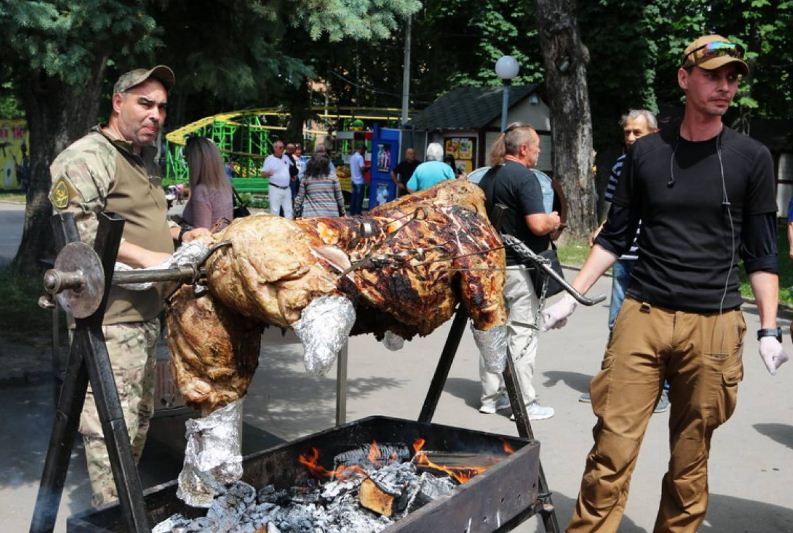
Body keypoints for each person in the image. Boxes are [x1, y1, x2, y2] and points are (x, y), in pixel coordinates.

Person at [542, 35, 789, 532]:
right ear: (684, 78)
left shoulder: (752, 157)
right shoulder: (647, 153)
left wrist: (768, 328)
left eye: (732, 77)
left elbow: (762, 252)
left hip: (715, 324)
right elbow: (615, 236)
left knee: (690, 461)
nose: (725, 86)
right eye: (713, 75)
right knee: (611, 449)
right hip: (643, 315)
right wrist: (572, 294)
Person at [48, 65, 204, 507]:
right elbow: (79, 232)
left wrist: (179, 235)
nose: (156, 115)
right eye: (145, 103)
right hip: (110, 323)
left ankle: (122, 509)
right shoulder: (85, 157)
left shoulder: (141, 158)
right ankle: (110, 516)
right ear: (118, 103)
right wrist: (152, 259)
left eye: (161, 108)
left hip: (146, 315)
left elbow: (142, 220)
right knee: (109, 430)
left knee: (137, 420)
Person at [579, 109, 669, 412]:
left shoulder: (668, 163)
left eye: (637, 132)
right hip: (623, 255)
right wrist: (602, 228)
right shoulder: (620, 164)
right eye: (627, 132)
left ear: (654, 134)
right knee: (617, 321)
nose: (630, 137)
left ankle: (661, 389)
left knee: (656, 323)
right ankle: (611, 383)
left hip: (654, 257)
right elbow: (616, 207)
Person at [476, 123, 562, 420]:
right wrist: (553, 220)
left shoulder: (488, 176)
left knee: (493, 331)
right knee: (522, 332)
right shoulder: (525, 178)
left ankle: (491, 398)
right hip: (520, 269)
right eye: (537, 147)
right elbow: (537, 224)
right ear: (524, 149)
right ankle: (523, 402)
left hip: (492, 267)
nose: (539, 152)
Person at [181, 137, 233, 230]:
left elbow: (201, 233)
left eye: (187, 158)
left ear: (194, 162)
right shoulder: (224, 185)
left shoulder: (201, 191)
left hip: (210, 239)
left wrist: (179, 227)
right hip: (224, 237)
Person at [294, 152, 346, 218]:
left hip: (310, 216)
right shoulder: (333, 177)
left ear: (311, 163)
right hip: (331, 216)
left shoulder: (306, 178)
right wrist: (343, 212)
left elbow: (299, 199)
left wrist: (296, 213)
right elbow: (339, 198)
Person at [261, 139, 293, 219]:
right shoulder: (269, 159)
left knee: (289, 210)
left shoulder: (286, 157)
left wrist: (292, 175)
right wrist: (268, 174)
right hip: (275, 188)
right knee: (275, 211)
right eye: (280, 147)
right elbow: (262, 174)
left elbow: (292, 168)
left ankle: (289, 226)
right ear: (275, 148)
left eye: (283, 147)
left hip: (287, 188)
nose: (282, 149)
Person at [349, 143, 366, 215]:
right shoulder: (360, 157)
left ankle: (352, 212)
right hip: (360, 181)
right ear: (361, 149)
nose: (364, 152)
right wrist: (366, 169)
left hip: (353, 180)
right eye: (364, 151)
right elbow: (362, 169)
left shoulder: (352, 157)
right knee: (359, 198)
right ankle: (358, 212)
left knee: (354, 197)